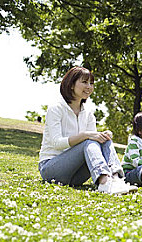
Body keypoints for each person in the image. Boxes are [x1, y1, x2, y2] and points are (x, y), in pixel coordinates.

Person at [38, 66, 135, 195]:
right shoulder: (56, 109)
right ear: (71, 85)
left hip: (75, 176)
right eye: (84, 82)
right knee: (89, 139)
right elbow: (56, 143)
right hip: (51, 169)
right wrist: (85, 135)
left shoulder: (88, 113)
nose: (89, 87)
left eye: (91, 83)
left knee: (102, 140)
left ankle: (116, 179)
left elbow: (94, 144)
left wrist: (102, 136)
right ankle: (104, 182)